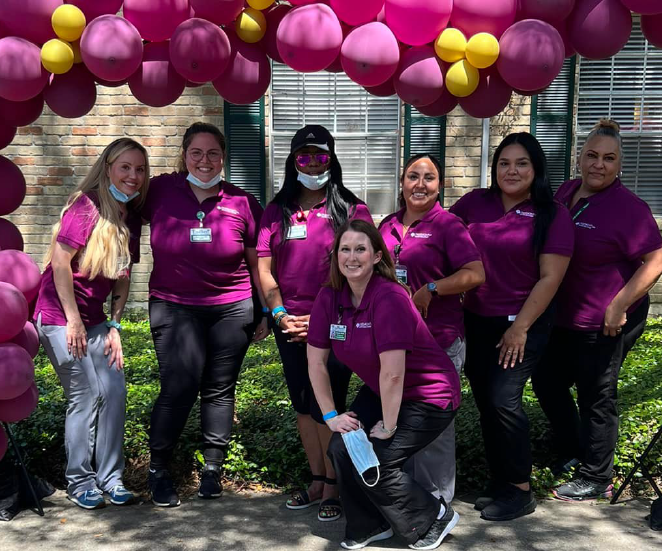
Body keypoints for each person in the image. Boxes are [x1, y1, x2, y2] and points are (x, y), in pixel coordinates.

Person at [307, 219, 462, 550]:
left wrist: (388, 426)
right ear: (335, 256)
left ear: (377, 256)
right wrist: (331, 415)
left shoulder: (389, 296)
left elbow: (394, 372)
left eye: (360, 249)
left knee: (376, 456)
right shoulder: (328, 297)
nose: (352, 257)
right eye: (344, 249)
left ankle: (434, 516)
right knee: (341, 447)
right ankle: (369, 525)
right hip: (385, 390)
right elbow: (316, 362)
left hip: (429, 393)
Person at [532, 119, 662, 501]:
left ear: (620, 164)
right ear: (579, 157)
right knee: (547, 381)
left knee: (596, 394)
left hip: (605, 318)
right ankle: (573, 451)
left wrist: (619, 304)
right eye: (591, 155)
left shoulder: (629, 209)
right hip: (563, 315)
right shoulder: (567, 191)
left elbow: (655, 260)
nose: (598, 165)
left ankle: (595, 476)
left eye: (608, 158)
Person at [142, 122, 268, 507]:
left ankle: (212, 469)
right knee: (179, 384)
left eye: (213, 153)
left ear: (223, 158)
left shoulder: (243, 202)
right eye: (196, 152)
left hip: (231, 307)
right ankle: (158, 469)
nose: (204, 160)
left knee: (219, 387)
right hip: (173, 305)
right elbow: (117, 207)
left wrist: (264, 310)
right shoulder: (161, 190)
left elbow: (256, 261)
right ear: (184, 154)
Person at [449, 132, 574, 521]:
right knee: (487, 404)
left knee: (505, 400)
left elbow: (550, 278)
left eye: (521, 163)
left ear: (535, 169)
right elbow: (439, 232)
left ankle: (520, 489)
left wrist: (520, 328)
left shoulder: (552, 213)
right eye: (504, 163)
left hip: (523, 323)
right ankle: (500, 481)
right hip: (476, 320)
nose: (512, 170)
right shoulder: (475, 203)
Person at [258, 125, 373, 521]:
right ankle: (315, 478)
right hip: (288, 323)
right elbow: (264, 267)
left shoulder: (352, 209)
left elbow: (358, 267)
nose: (311, 163)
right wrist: (278, 314)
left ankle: (335, 485)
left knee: (330, 404)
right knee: (304, 407)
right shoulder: (277, 210)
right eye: (303, 156)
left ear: (332, 159)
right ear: (292, 161)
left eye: (320, 156)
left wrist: (322, 319)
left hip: (335, 322)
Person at [34, 138, 148, 510]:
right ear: (108, 167)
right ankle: (80, 480)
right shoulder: (87, 206)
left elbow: (123, 276)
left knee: (114, 390)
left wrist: (114, 326)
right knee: (86, 394)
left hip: (96, 320)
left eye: (139, 169)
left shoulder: (131, 215)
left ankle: (110, 479)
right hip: (58, 316)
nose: (133, 176)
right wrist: (73, 322)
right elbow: (61, 262)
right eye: (125, 167)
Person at [379, 154, 484, 504]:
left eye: (429, 178)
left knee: (434, 426)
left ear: (440, 187)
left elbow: (474, 273)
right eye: (413, 176)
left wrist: (432, 289)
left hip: (438, 340)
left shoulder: (448, 225)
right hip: (394, 343)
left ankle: (437, 502)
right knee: (399, 420)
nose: (420, 184)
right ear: (402, 182)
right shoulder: (387, 225)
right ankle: (407, 500)